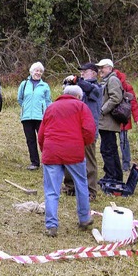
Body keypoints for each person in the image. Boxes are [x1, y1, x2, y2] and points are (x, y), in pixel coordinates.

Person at [38, 85, 96, 237]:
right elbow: (90, 130)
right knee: (81, 183)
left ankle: (51, 225)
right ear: (78, 96)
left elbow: (42, 133)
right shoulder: (81, 107)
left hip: (52, 150)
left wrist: (45, 149)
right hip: (73, 151)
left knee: (51, 190)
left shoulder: (51, 107)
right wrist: (82, 143)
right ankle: (84, 218)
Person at [61, 63, 103, 200]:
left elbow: (89, 88)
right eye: (82, 71)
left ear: (94, 73)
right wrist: (67, 85)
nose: (83, 73)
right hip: (74, 128)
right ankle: (70, 186)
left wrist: (77, 80)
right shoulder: (80, 88)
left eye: (86, 71)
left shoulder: (97, 88)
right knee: (69, 157)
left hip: (88, 130)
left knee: (89, 161)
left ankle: (91, 191)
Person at [17, 62, 52, 170]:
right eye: (36, 70)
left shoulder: (45, 86)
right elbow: (20, 99)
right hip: (26, 117)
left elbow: (48, 101)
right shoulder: (24, 84)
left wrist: (46, 113)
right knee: (30, 140)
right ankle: (34, 162)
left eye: (40, 71)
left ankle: (48, 161)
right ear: (32, 71)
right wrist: (25, 108)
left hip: (40, 117)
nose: (38, 73)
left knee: (43, 140)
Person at [95, 58, 124, 183]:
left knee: (107, 150)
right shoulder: (107, 80)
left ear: (110, 68)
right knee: (110, 149)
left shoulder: (112, 80)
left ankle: (111, 177)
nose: (100, 70)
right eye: (99, 67)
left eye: (103, 67)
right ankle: (115, 176)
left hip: (108, 122)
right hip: (105, 122)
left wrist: (102, 110)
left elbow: (116, 98)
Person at [114, 69, 138, 172]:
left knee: (124, 142)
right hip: (111, 119)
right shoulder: (107, 84)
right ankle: (115, 164)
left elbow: (134, 104)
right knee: (112, 143)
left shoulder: (127, 87)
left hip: (123, 118)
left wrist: (137, 119)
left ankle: (126, 165)